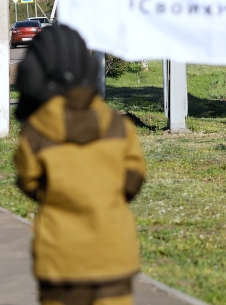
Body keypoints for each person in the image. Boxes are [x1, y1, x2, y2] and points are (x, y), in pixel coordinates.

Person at [14, 26, 147, 305]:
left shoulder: (36, 132)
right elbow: (133, 179)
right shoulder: (119, 126)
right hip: (114, 254)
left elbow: (29, 181)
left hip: (61, 258)